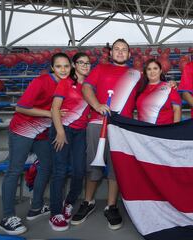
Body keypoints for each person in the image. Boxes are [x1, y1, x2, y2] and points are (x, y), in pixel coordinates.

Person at [71, 39, 141, 229]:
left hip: (121, 126)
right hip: (97, 123)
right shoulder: (100, 69)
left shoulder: (136, 74)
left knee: (115, 167)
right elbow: (86, 88)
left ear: (129, 54)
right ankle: (88, 202)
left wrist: (172, 85)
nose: (120, 52)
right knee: (93, 164)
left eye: (124, 49)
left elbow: (151, 87)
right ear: (111, 53)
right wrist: (97, 105)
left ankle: (111, 206)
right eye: (116, 49)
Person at [0, 53, 70, 235]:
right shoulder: (41, 81)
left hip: (42, 133)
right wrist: (50, 114)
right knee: (14, 170)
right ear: (52, 68)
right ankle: (7, 217)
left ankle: (36, 207)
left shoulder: (67, 84)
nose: (63, 69)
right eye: (59, 66)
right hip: (22, 129)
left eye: (66, 66)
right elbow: (20, 107)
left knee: (47, 166)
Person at [48, 52, 91, 231]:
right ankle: (55, 213)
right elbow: (55, 108)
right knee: (59, 171)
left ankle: (69, 202)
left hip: (80, 132)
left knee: (79, 171)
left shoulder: (90, 87)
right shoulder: (65, 83)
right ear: (74, 65)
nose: (85, 65)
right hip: (63, 129)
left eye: (88, 63)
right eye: (81, 62)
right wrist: (60, 132)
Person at [136, 59, 182, 124]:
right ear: (145, 72)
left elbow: (177, 110)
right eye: (149, 69)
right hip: (144, 131)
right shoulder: (140, 88)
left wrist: (174, 130)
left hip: (163, 131)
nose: (152, 72)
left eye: (155, 68)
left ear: (160, 71)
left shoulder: (170, 87)